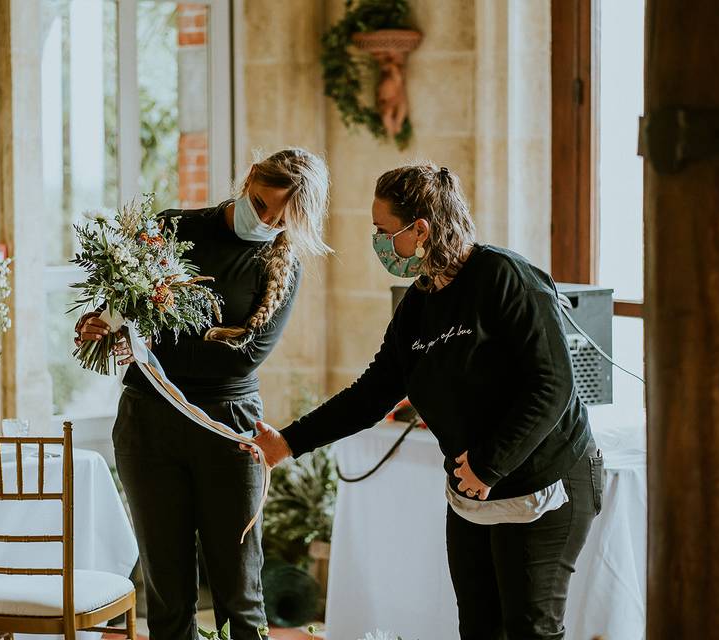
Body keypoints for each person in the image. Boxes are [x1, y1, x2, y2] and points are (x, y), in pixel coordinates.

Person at [248, 163, 604, 640]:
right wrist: (289, 442)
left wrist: (489, 464)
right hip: (472, 489)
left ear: (420, 230)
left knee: (530, 630)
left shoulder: (505, 277)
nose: (377, 243)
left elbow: (554, 385)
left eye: (383, 231)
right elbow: (373, 392)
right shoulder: (419, 302)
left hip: (545, 480)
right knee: (478, 627)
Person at [76, 149, 330, 639]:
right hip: (147, 425)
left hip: (226, 430)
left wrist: (147, 343)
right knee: (167, 595)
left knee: (240, 594)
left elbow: (240, 359)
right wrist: (103, 329)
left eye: (282, 219)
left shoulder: (281, 263)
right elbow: (126, 311)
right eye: (261, 204)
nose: (267, 221)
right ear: (250, 178)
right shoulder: (172, 228)